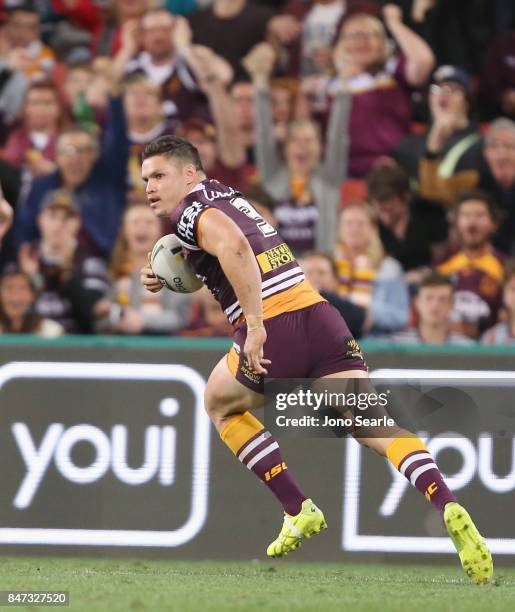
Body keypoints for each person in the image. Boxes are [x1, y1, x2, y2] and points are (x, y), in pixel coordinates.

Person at [139, 134, 492, 584]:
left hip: (274, 327)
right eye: (146, 179)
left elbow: (235, 250)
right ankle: (448, 502)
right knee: (376, 426)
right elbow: (223, 248)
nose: (150, 186)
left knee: (219, 403)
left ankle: (297, 507)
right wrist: (163, 273)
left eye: (159, 175)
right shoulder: (228, 196)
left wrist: (256, 326)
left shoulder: (186, 211)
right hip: (320, 316)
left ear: (189, 173)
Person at [302, 4, 434, 177]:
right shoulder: (324, 85)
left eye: (370, 35)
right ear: (340, 44)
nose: (361, 42)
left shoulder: (393, 72)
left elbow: (424, 61)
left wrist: (394, 23)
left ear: (382, 43)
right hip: (340, 171)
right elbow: (305, 129)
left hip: (392, 168)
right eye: (353, 36)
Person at [244, 41, 350, 255]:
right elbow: (264, 136)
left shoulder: (329, 178)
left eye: (310, 141)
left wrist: (344, 84)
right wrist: (260, 81)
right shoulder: (272, 177)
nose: (303, 147)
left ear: (320, 148)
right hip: (278, 270)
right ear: (285, 148)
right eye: (297, 140)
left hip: (321, 268)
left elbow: (338, 137)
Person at [16, 71, 129, 256]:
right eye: (67, 151)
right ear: (57, 156)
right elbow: (23, 235)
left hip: (100, 265)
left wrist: (115, 98)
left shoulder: (108, 180)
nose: (75, 158)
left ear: (95, 155)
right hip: (47, 267)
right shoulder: (40, 188)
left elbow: (118, 144)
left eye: (83, 150)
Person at [419, 118, 515, 255]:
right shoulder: (472, 178)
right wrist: (432, 150)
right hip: (482, 254)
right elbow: (431, 190)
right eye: (494, 146)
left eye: (509, 146)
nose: (502, 155)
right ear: (485, 153)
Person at [18, 190, 109, 334]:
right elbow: (14, 313)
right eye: (52, 216)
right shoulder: (27, 256)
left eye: (67, 218)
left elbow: (92, 313)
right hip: (32, 343)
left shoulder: (90, 261)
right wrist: (31, 279)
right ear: (40, 219)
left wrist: (67, 271)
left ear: (78, 222)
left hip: (77, 346)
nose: (59, 224)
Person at [97, 203, 192, 335]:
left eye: (149, 222)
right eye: (135, 222)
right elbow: (99, 321)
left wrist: (142, 321)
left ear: (160, 231)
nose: (142, 227)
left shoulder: (175, 269)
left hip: (166, 348)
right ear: (124, 230)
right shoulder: (111, 272)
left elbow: (181, 317)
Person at [394, 65, 480, 183]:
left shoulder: (479, 145)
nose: (443, 94)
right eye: (436, 89)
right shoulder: (408, 146)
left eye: (452, 89)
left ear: (467, 101)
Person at [437, 191, 505, 339]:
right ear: (456, 223)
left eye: (479, 215)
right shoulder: (443, 267)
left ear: (494, 224)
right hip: (448, 346)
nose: (472, 223)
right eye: (466, 215)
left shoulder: (506, 268)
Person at [335, 202, 409, 334]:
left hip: (375, 342)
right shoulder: (328, 266)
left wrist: (364, 313)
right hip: (334, 342)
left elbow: (401, 317)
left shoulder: (389, 268)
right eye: (348, 223)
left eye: (361, 223)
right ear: (339, 229)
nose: (354, 229)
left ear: (374, 229)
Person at [366, 164, 448, 282]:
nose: (385, 214)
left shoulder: (429, 214)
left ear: (406, 197)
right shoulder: (374, 223)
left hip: (428, 280)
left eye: (390, 208)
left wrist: (425, 272)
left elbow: (442, 257)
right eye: (380, 209)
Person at [387, 273, 473, 345]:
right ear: (417, 302)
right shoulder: (396, 345)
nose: (435, 305)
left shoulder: (467, 347)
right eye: (429, 298)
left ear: (452, 304)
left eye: (442, 299)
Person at [299, 250, 365, 337]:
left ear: (335, 279)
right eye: (309, 272)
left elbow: (358, 319)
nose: (314, 278)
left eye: (321, 272)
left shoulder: (350, 308)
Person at [0, 268, 64, 337]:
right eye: (9, 287)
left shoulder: (50, 331)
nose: (15, 293)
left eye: (22, 288)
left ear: (32, 296)